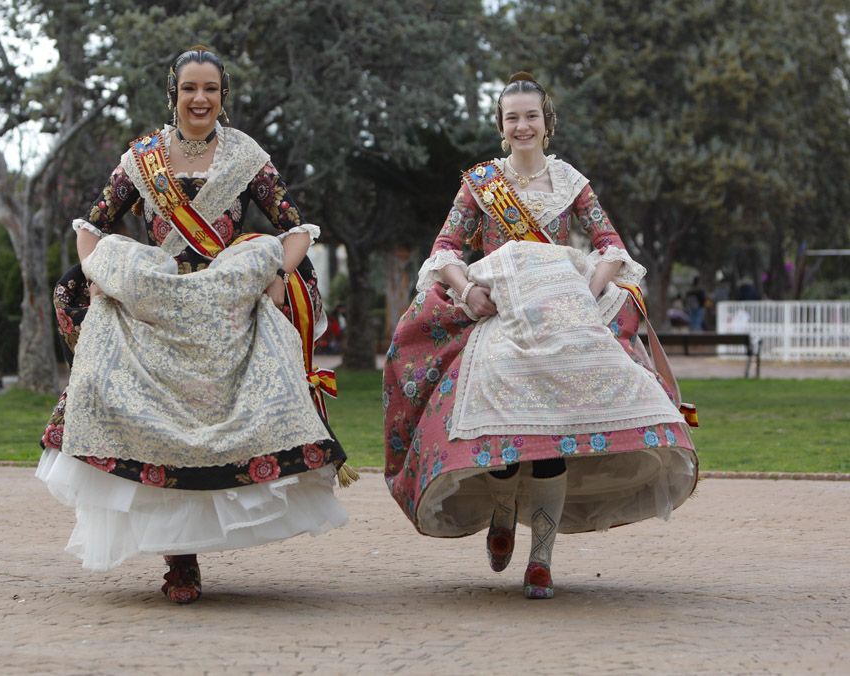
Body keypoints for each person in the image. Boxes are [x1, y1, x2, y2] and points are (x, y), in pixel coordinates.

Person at [37, 46, 351, 605]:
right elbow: (92, 225)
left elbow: (296, 227)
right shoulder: (143, 160)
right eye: (189, 89)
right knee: (75, 299)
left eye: (210, 88)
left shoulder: (247, 156)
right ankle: (180, 561)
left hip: (223, 299)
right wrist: (98, 271)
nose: (199, 98)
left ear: (222, 97)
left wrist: (278, 268)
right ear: (174, 94)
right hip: (157, 301)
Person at [383, 72, 699, 599]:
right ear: (501, 127)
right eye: (513, 118)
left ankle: (542, 560)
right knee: (507, 439)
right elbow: (445, 248)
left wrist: (591, 290)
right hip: (499, 317)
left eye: (532, 116)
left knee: (552, 439)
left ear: (547, 124)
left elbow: (609, 244)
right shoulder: (481, 183)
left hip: (562, 315)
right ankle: (503, 514)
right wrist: (465, 293)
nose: (523, 125)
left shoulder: (572, 182)